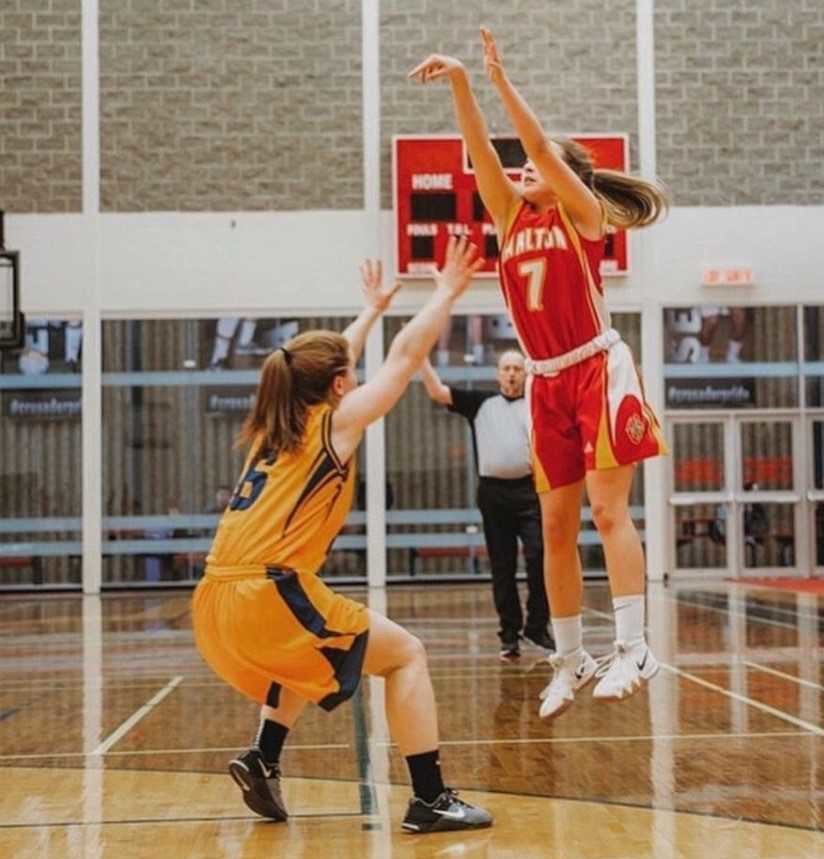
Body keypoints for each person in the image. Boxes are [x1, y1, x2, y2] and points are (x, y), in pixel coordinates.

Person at [191, 238, 492, 834]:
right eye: (349, 375)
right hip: (266, 591)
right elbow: (404, 358)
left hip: (217, 595)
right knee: (406, 655)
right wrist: (445, 294)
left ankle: (263, 758)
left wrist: (370, 311)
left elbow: (328, 362)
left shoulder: (274, 427)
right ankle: (430, 799)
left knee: (301, 655)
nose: (356, 380)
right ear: (336, 387)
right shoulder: (336, 422)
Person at [410, 28, 669, 720]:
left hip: (598, 368)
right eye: (519, 166)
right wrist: (462, 82)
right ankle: (570, 657)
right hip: (548, 381)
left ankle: (634, 646)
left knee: (608, 511)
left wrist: (500, 80)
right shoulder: (510, 216)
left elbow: (539, 149)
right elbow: (480, 149)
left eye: (534, 165)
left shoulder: (583, 216)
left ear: (564, 176)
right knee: (555, 528)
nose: (521, 169)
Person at [420, 349, 553, 660]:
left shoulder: (536, 405)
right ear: (498, 374)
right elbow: (437, 392)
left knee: (539, 557)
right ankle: (509, 635)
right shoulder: (481, 403)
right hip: (493, 494)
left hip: (529, 491)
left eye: (517, 368)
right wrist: (420, 359)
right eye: (506, 368)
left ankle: (537, 626)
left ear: (526, 373)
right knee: (502, 566)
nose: (512, 374)